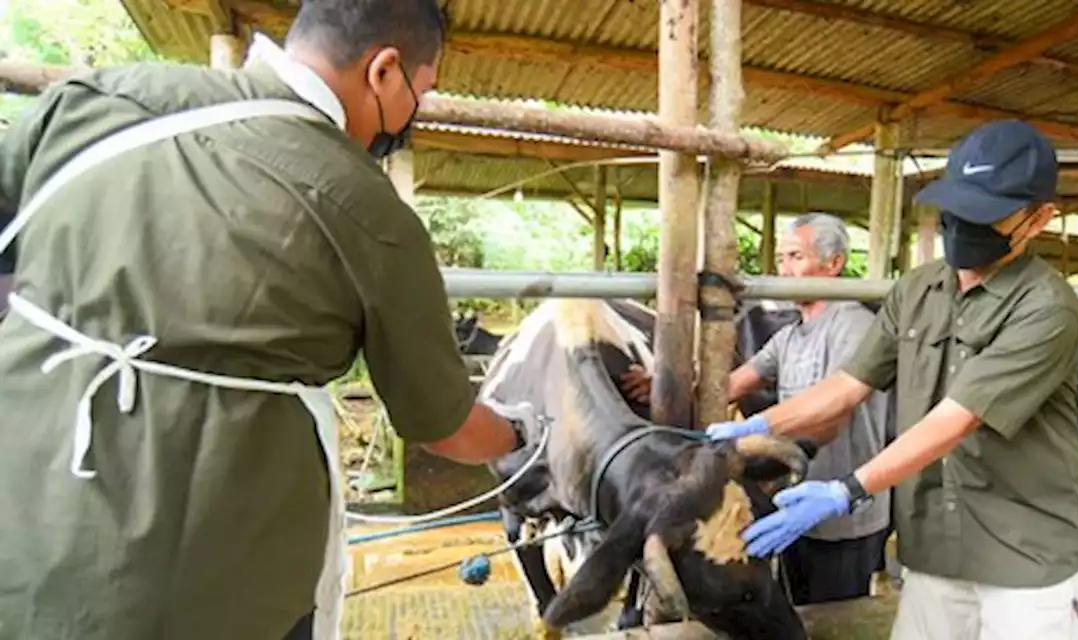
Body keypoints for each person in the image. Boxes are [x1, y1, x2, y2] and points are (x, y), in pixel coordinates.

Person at [0, 2, 535, 639]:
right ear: (384, 71)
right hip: (217, 579)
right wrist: (525, 432)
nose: (417, 110)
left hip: (22, 520)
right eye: (422, 90)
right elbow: (444, 426)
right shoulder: (369, 211)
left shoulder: (99, 100)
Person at [713, 120, 1078, 639]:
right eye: (958, 206)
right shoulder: (918, 289)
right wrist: (754, 425)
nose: (964, 224)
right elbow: (850, 384)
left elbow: (956, 420)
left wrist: (847, 489)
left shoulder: (1047, 309)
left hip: (1028, 558)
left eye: (988, 214)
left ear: (1038, 220)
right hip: (937, 547)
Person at [620, 212, 894, 605]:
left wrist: (750, 445)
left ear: (833, 265)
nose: (784, 269)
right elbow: (727, 386)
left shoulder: (851, 325)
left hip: (840, 511)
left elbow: (832, 420)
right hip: (794, 502)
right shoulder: (788, 337)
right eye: (781, 259)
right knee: (798, 608)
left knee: (833, 617)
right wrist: (664, 385)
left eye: (796, 257)